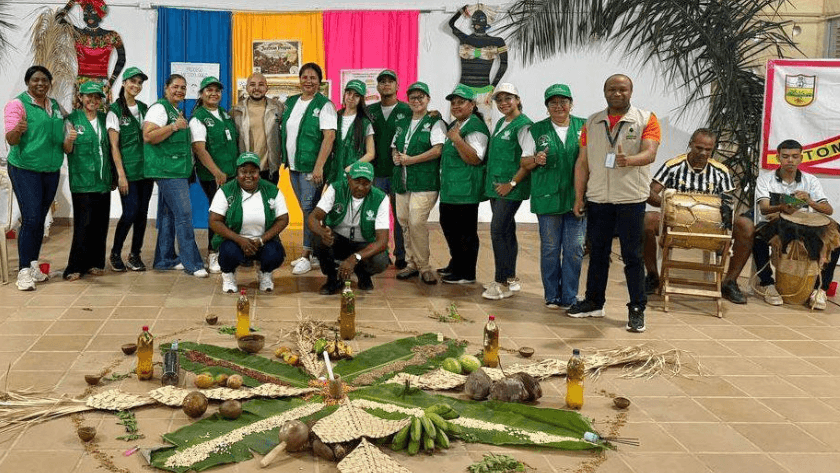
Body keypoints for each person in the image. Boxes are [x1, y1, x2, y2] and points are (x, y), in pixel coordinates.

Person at [572, 74, 660, 333]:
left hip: (630, 199)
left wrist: (630, 160)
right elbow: (582, 162)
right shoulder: (592, 121)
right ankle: (594, 302)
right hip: (599, 198)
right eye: (612, 89)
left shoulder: (646, 119)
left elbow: (650, 152)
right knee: (597, 253)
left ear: (630, 92)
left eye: (622, 89)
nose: (617, 94)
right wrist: (579, 196)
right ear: (605, 92)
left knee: (632, 256)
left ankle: (636, 309)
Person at [643, 128, 753, 304]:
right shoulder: (673, 166)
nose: (703, 153)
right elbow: (650, 192)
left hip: (711, 225)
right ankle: (653, 276)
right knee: (647, 219)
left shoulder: (720, 171)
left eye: (708, 149)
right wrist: (669, 205)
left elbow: (728, 202)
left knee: (745, 225)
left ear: (713, 149)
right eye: (699, 147)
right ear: (690, 144)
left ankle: (729, 282)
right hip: (675, 222)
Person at [520, 84, 586, 309]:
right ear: (547, 106)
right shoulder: (536, 131)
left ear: (571, 104)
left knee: (575, 248)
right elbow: (524, 162)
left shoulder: (584, 127)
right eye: (553, 102)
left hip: (577, 199)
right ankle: (552, 295)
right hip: (547, 198)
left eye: (563, 102)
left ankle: (569, 296)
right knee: (550, 248)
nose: (559, 106)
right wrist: (536, 160)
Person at [754, 139, 838, 310]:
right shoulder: (766, 179)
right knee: (757, 236)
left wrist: (810, 201)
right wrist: (782, 207)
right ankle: (767, 283)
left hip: (804, 225)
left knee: (836, 236)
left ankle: (820, 289)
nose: (790, 160)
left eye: (794, 156)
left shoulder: (810, 180)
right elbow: (764, 209)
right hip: (777, 223)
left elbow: (828, 210)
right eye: (785, 156)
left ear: (801, 158)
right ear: (778, 158)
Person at [4, 66, 66, 290]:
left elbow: (69, 120)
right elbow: (11, 140)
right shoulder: (17, 105)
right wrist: (18, 130)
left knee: (40, 218)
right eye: (35, 80)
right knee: (30, 219)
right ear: (28, 82)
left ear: (49, 83)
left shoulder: (55, 105)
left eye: (44, 80)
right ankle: (23, 273)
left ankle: (32, 265)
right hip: (25, 168)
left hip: (50, 169)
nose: (40, 84)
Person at [142, 73, 207, 277]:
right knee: (184, 215)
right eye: (175, 87)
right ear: (166, 88)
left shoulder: (175, 110)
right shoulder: (159, 108)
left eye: (183, 88)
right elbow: (148, 136)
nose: (179, 90)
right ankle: (193, 263)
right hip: (167, 171)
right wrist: (173, 126)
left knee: (169, 215)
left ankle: (164, 259)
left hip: (178, 170)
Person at [280, 63, 337, 275]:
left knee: (309, 211)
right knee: (306, 209)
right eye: (305, 77)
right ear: (299, 79)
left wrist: (319, 167)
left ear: (319, 81)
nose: (308, 81)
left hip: (312, 169)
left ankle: (306, 254)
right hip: (294, 167)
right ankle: (312, 253)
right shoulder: (291, 102)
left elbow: (329, 137)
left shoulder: (325, 105)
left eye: (313, 77)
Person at [209, 152, 289, 293]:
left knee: (275, 253)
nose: (248, 176)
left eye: (253, 172)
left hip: (262, 241)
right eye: (243, 171)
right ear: (237, 172)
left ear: (259, 172)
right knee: (228, 252)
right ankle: (228, 276)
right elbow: (214, 221)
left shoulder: (271, 190)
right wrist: (240, 240)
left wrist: (261, 240)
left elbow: (283, 219)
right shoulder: (226, 190)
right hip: (234, 241)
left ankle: (265, 273)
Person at [391, 81, 446, 285]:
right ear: (408, 100)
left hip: (425, 181)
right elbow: (394, 147)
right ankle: (411, 263)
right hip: (403, 181)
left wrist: (411, 160)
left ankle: (424, 266)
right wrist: (396, 157)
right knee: (404, 222)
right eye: (413, 97)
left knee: (416, 222)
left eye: (420, 97)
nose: (416, 100)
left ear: (428, 99)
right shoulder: (403, 122)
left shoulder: (435, 122)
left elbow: (437, 150)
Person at [481, 83, 532, 300]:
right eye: (499, 100)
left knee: (497, 231)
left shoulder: (524, 125)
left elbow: (528, 160)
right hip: (497, 187)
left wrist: (511, 184)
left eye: (508, 99)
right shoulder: (502, 122)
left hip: (509, 188)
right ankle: (510, 279)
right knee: (507, 231)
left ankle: (500, 281)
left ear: (517, 99)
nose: (503, 103)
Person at [308, 161, 390, 295]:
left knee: (380, 259)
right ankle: (333, 278)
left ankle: (363, 274)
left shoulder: (380, 198)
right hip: (338, 240)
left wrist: (354, 258)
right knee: (317, 239)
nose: (361, 187)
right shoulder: (336, 189)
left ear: (372, 182)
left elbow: (382, 241)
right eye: (357, 181)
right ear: (348, 179)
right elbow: (313, 218)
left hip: (363, 245)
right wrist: (322, 233)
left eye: (366, 183)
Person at [438, 84, 490, 284]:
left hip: (465, 190)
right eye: (453, 102)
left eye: (461, 102)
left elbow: (475, 158)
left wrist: (458, 140)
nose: (456, 106)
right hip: (452, 189)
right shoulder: (457, 125)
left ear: (472, 104)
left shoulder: (475, 126)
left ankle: (466, 272)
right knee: (450, 227)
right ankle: (456, 263)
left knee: (465, 233)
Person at [62, 81, 113, 280]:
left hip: (103, 180)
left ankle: (96, 262)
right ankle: (75, 267)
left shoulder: (104, 118)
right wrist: (69, 139)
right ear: (81, 98)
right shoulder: (71, 119)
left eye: (97, 97)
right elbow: (67, 150)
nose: (92, 100)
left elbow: (111, 149)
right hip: (82, 181)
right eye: (88, 96)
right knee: (83, 225)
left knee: (101, 224)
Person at [190, 76, 239, 274]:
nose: (214, 93)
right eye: (209, 90)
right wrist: (217, 172)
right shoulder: (198, 118)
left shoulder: (225, 115)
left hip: (231, 173)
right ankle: (213, 254)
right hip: (214, 176)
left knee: (231, 213)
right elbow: (200, 150)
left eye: (217, 90)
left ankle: (230, 250)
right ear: (201, 94)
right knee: (218, 213)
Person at [107, 66, 151, 272]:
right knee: (130, 212)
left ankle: (135, 255)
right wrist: (121, 175)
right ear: (124, 83)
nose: (136, 85)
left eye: (140, 83)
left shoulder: (144, 108)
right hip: (128, 172)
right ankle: (115, 252)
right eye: (132, 81)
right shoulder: (115, 111)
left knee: (142, 213)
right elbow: (114, 146)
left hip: (146, 171)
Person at [369, 69, 411, 269]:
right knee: (375, 215)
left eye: (390, 81)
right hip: (375, 172)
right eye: (382, 82)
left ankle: (401, 255)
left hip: (398, 172)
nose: (386, 85)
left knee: (400, 216)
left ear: (397, 86)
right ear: (377, 86)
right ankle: (379, 253)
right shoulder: (370, 111)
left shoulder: (408, 110)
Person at [56, 0, 125, 106]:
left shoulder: (111, 36)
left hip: (102, 84)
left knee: (101, 120)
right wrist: (72, 2)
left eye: (92, 13)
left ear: (99, 13)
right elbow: (59, 18)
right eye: (85, 14)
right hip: (81, 84)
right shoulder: (77, 33)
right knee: (80, 120)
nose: (89, 16)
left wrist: (111, 82)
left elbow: (122, 58)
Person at [448, 4, 507, 124]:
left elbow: (504, 64)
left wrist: (493, 86)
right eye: (475, 21)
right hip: (462, 90)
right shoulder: (464, 38)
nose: (478, 24)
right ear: (472, 23)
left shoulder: (498, 41)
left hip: (484, 91)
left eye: (480, 21)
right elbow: (451, 24)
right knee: (456, 128)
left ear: (486, 24)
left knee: (484, 126)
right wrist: (462, 11)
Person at [231, 72, 283, 184]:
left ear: (267, 88)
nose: (256, 88)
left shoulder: (278, 108)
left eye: (261, 84)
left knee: (269, 201)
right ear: (246, 88)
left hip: (270, 168)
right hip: (246, 168)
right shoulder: (236, 111)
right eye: (252, 84)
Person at [331, 79, 374, 183]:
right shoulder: (334, 117)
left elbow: (371, 153)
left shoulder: (365, 122)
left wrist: (352, 167)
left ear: (361, 99)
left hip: (355, 176)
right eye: (348, 93)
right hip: (333, 172)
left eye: (356, 95)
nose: (351, 97)